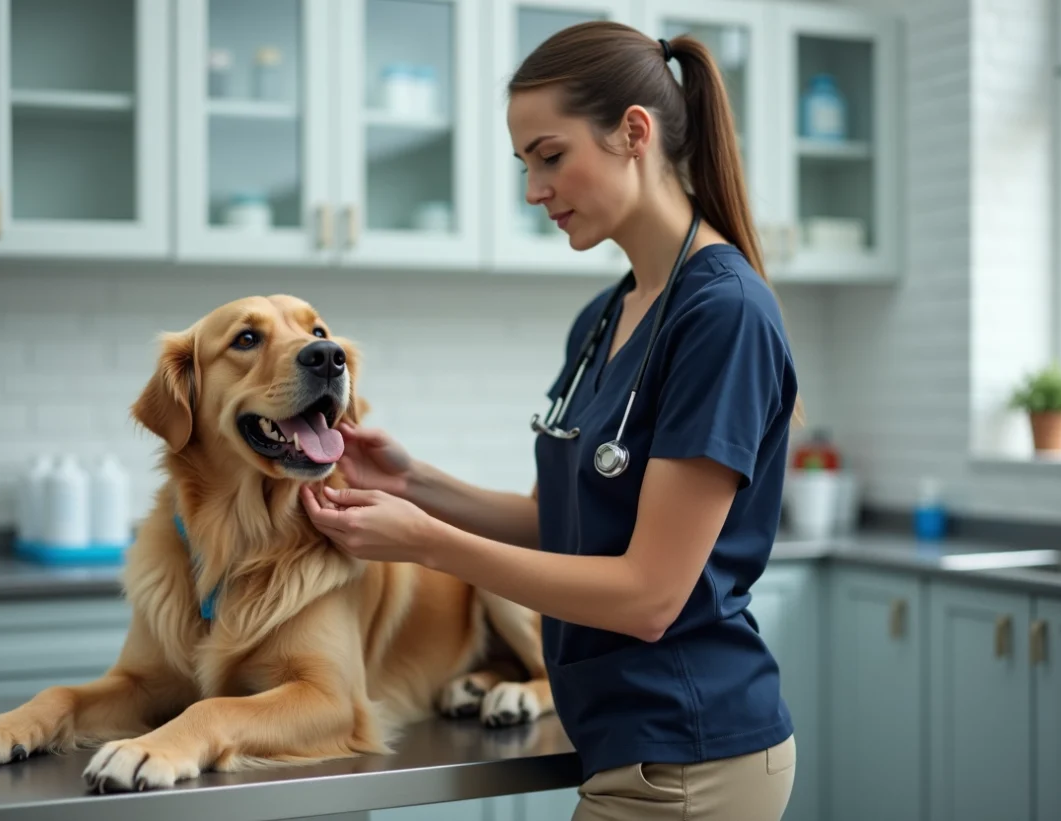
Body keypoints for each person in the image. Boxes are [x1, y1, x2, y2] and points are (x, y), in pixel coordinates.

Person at [300, 20, 799, 821]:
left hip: (691, 761)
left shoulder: (723, 316)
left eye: (551, 155)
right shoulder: (605, 317)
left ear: (634, 133)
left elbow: (648, 595)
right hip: (625, 747)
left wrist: (428, 543)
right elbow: (555, 524)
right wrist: (414, 482)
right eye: (526, 164)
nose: (535, 189)